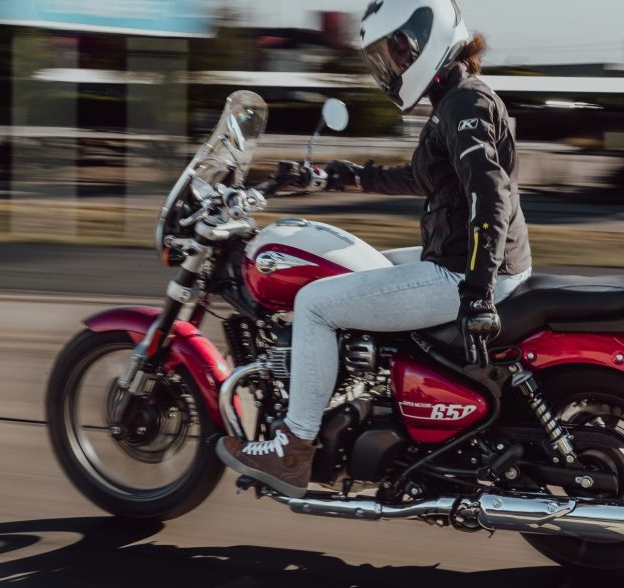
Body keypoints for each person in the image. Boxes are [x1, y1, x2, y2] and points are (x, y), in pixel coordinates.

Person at [217, 0, 532, 498]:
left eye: (399, 51)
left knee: (315, 304)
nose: (394, 65)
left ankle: (293, 448)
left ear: (428, 39)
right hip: (460, 260)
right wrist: (337, 175)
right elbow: (424, 178)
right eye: (388, 55)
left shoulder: (465, 104)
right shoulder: (454, 98)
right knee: (366, 269)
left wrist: (476, 292)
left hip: (467, 271)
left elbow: (488, 196)